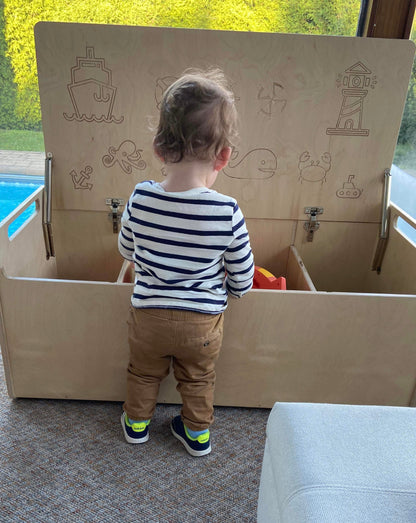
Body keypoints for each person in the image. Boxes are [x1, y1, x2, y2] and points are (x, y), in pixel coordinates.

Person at [118, 69, 254, 457]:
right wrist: (233, 288)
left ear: (158, 148)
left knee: (143, 372)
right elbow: (243, 276)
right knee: (198, 378)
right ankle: (196, 433)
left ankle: (137, 424)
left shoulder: (140, 198)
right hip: (202, 324)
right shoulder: (227, 211)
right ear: (224, 156)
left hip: (149, 317)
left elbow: (126, 250)